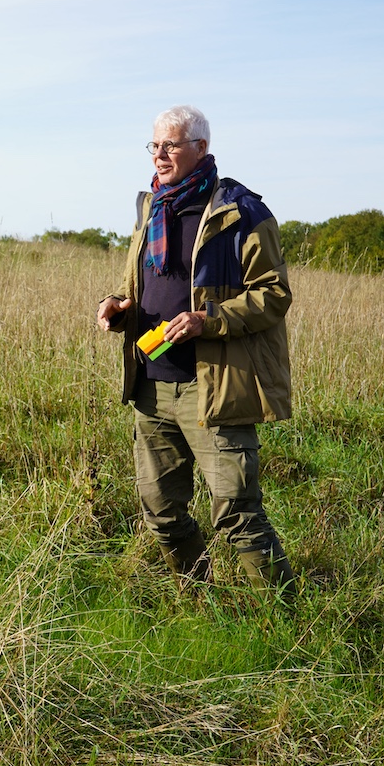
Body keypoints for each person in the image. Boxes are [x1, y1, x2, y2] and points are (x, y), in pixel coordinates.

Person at [96, 105, 296, 596]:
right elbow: (137, 284)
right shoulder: (151, 209)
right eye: (154, 145)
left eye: (171, 145)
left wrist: (208, 321)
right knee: (161, 514)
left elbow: (274, 293)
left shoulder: (242, 211)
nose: (160, 155)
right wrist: (117, 306)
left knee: (237, 514)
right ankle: (204, 600)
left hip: (214, 389)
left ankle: (291, 622)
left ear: (200, 149)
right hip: (152, 385)